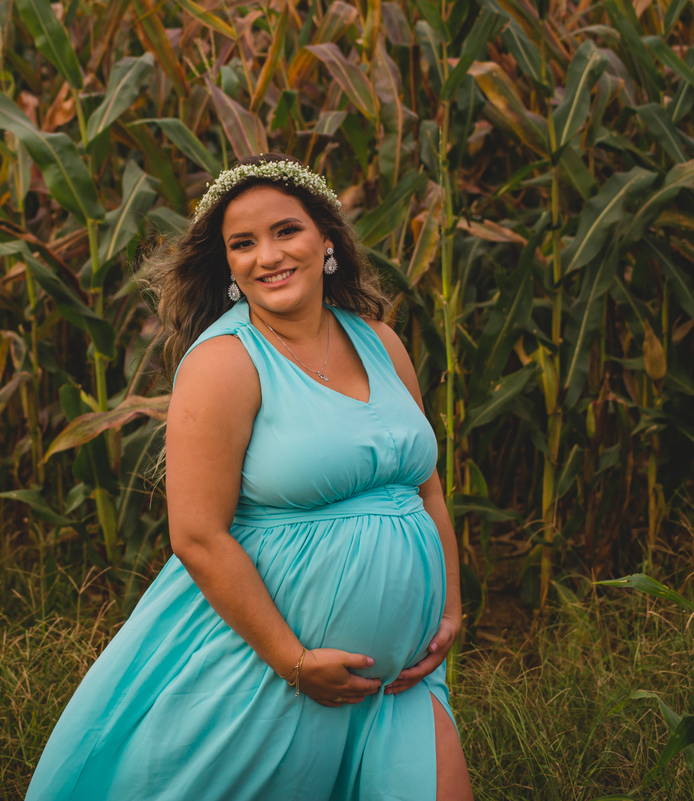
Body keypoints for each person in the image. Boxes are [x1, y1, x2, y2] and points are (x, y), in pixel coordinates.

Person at [24, 153, 473, 800]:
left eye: (286, 231)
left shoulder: (380, 340)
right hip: (270, 670)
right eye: (244, 243)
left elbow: (424, 486)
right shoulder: (225, 362)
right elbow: (198, 534)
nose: (268, 255)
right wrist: (292, 659)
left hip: (401, 681)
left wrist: (449, 610)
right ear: (228, 265)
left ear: (326, 241)